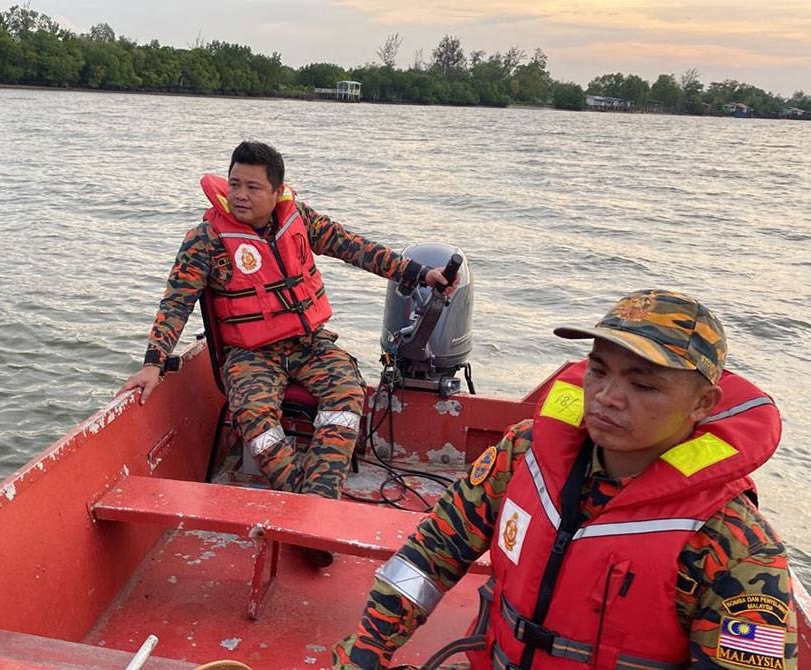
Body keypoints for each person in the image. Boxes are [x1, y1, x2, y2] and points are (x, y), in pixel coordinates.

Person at [333, 289, 797, 668]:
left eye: (643, 385)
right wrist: (367, 654)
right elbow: (431, 554)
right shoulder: (524, 453)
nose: (607, 397)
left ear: (702, 403)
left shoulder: (734, 547)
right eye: (598, 371)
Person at [118, 141, 452, 566]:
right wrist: (153, 363)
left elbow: (356, 248)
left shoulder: (300, 219)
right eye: (235, 183)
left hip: (310, 344)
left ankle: (314, 512)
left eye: (253, 187)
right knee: (256, 420)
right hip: (250, 356)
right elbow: (176, 301)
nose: (240, 194)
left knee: (348, 397)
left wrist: (422, 273)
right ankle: (311, 512)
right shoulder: (205, 240)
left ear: (277, 192)